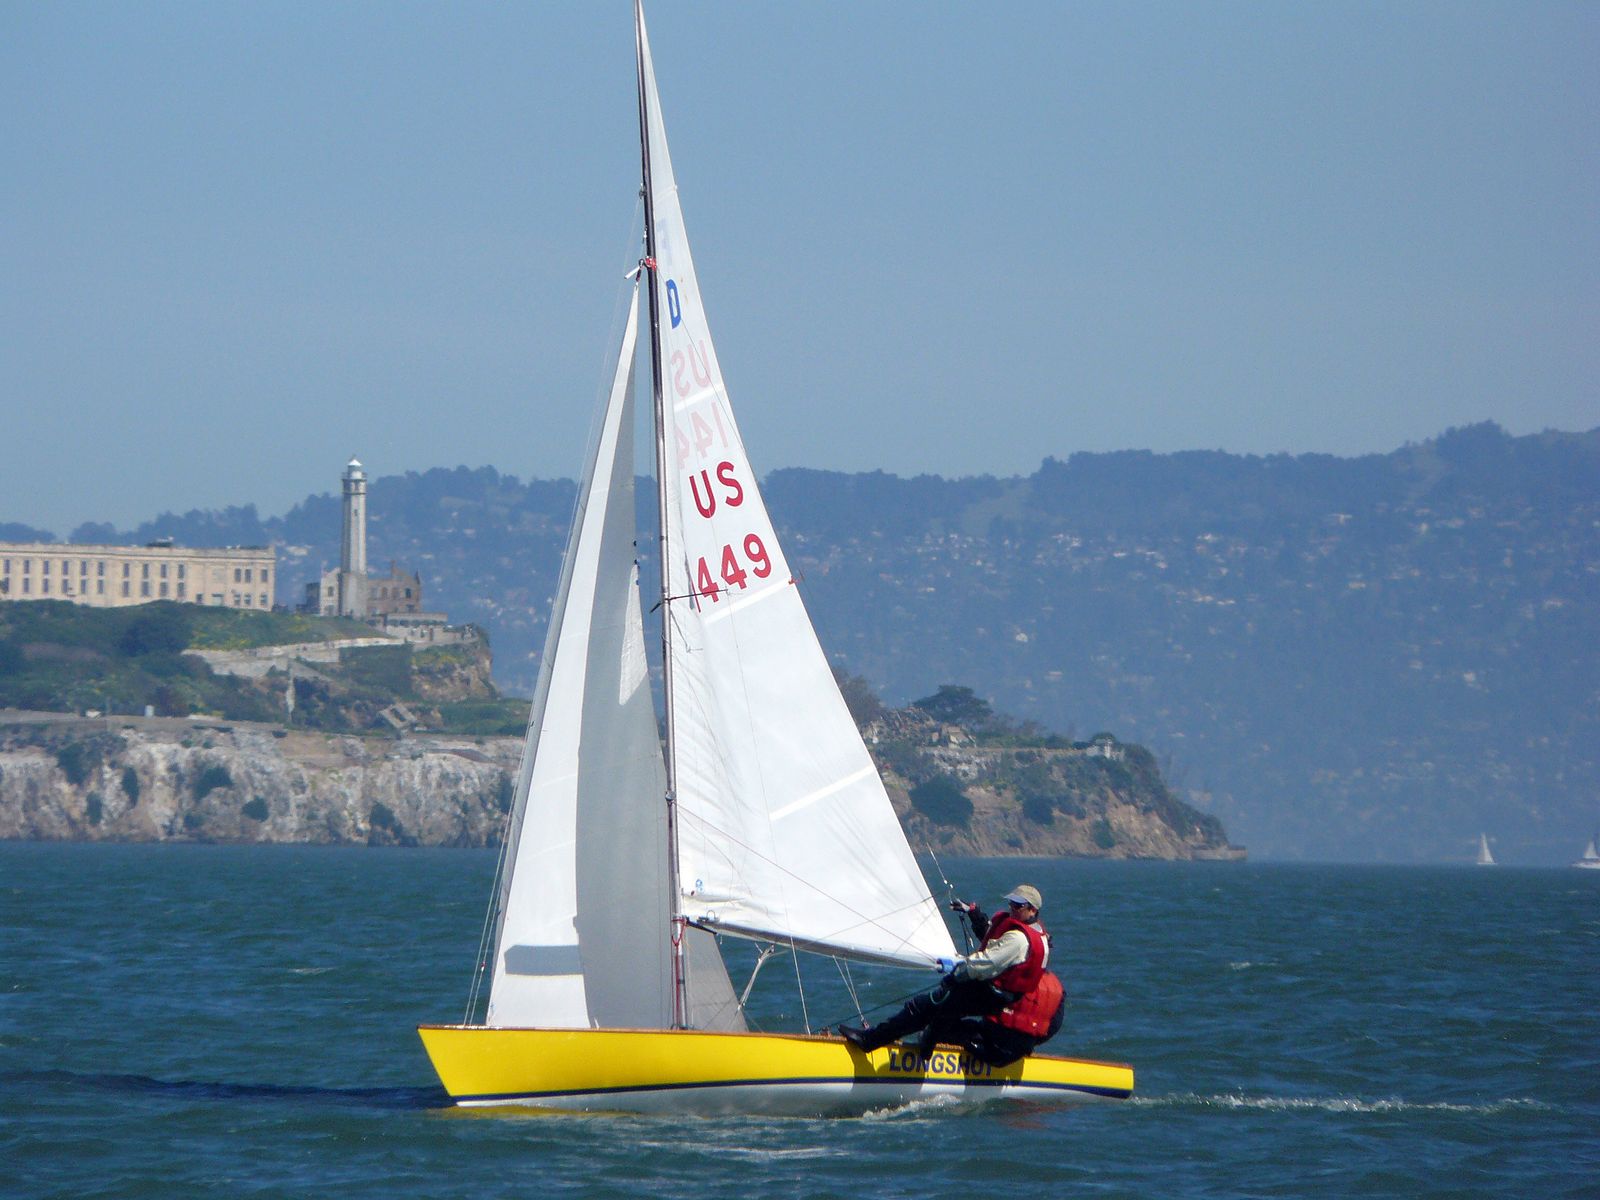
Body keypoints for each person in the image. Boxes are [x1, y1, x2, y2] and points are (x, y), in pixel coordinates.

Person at [838, 884, 1064, 1067]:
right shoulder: (1028, 932)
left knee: (923, 1006)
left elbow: (987, 962)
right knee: (940, 1011)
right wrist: (974, 914)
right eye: (1011, 903)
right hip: (992, 993)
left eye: (1018, 905)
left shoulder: (1020, 939)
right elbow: (994, 939)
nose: (1012, 908)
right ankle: (921, 1047)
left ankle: (872, 1042)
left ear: (1032, 910)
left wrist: (958, 972)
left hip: (991, 994)